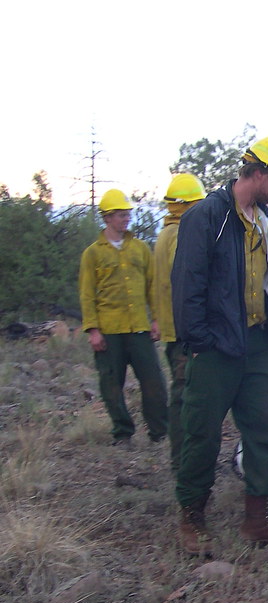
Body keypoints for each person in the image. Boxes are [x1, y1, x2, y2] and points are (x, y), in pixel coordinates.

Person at [171, 136, 268, 554]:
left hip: (257, 342)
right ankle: (192, 519)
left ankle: (257, 520)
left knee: (265, 430)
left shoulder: (263, 218)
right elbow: (187, 285)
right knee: (202, 432)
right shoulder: (206, 216)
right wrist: (199, 341)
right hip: (215, 347)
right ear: (259, 173)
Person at [79, 188, 168, 446]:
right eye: (120, 215)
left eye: (128, 214)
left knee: (154, 382)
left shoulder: (140, 249)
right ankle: (122, 433)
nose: (126, 219)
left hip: (139, 327)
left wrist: (157, 320)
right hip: (108, 330)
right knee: (111, 385)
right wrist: (93, 330)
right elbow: (87, 293)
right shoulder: (93, 253)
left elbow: (153, 287)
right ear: (107, 218)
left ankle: (159, 432)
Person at [153, 173, 206, 472]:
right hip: (185, 329)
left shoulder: (165, 232)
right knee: (185, 396)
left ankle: (181, 459)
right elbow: (188, 278)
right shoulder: (180, 234)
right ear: (186, 205)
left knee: (181, 391)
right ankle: (182, 461)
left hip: (174, 327)